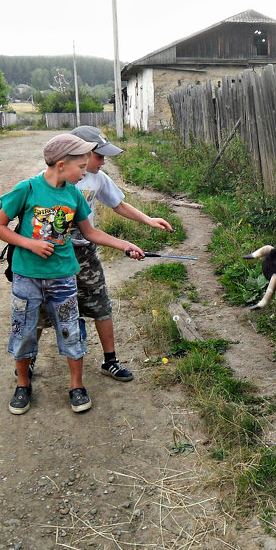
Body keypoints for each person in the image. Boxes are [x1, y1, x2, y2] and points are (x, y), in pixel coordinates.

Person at [0, 133, 145, 415]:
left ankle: (77, 386)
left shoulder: (74, 194)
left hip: (63, 277)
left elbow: (90, 232)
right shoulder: (27, 189)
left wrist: (125, 245)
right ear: (61, 165)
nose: (85, 172)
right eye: (81, 167)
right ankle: (23, 385)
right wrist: (30, 243)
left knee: (71, 331)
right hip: (27, 277)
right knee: (24, 332)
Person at [68, 124, 174, 382]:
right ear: (79, 153)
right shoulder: (56, 179)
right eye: (99, 155)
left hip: (85, 252)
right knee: (43, 309)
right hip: (54, 254)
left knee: (100, 304)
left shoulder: (98, 178)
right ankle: (30, 359)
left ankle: (110, 360)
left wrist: (149, 220)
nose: (103, 161)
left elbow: (119, 204)